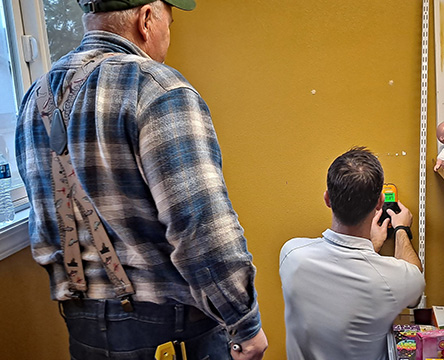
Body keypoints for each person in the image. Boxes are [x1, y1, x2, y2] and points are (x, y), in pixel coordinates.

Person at [15, 1, 267, 359]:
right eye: (170, 21)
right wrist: (244, 322)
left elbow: (44, 213)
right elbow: (199, 224)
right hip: (171, 332)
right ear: (147, 19)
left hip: (84, 327)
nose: (168, 34)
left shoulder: (35, 97)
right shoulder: (156, 88)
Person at [279, 147, 425, 360]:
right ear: (379, 203)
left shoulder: (292, 254)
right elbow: (415, 293)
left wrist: (371, 245)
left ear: (327, 199)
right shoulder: (392, 279)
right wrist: (401, 229)